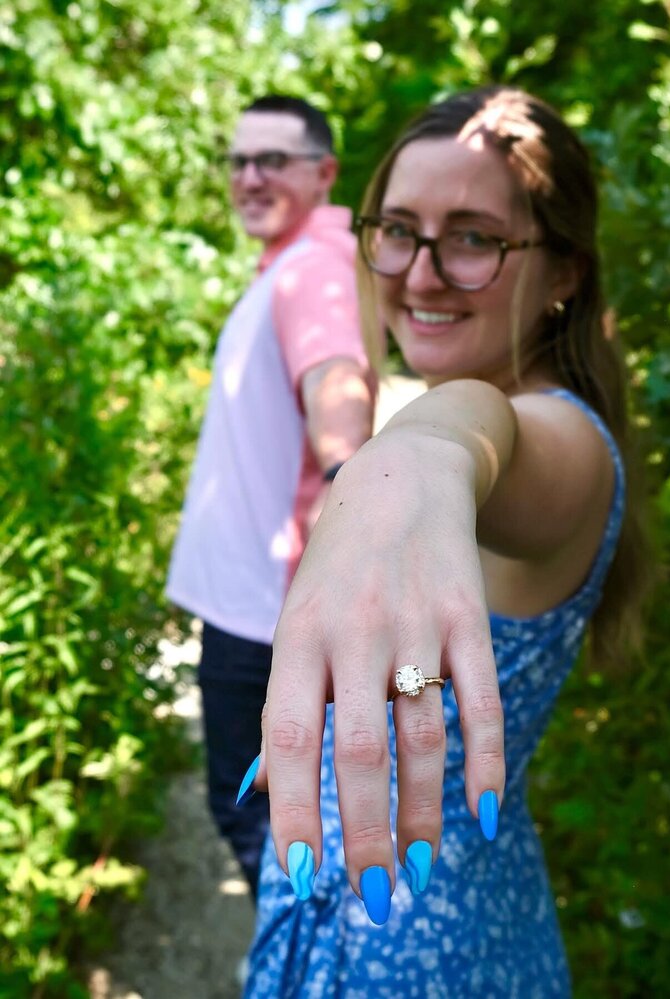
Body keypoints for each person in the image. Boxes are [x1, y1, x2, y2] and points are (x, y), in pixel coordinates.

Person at [240, 85, 648, 996]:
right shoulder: (453, 396)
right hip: (351, 922)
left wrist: (414, 457)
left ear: (566, 272)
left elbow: (477, 433)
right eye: (397, 229)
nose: (420, 272)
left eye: (473, 237)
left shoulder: (567, 443)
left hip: (432, 958)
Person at [167, 95, 374, 898]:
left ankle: (311, 972)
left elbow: (336, 386)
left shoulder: (314, 271)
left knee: (257, 814)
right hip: (250, 607)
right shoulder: (290, 267)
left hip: (266, 617)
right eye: (239, 160)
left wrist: (350, 499)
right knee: (274, 814)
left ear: (323, 173)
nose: (249, 177)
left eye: (272, 161)